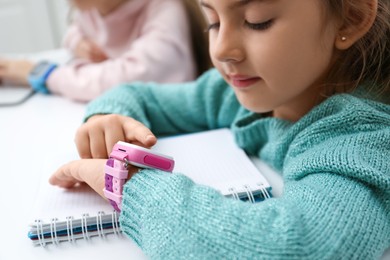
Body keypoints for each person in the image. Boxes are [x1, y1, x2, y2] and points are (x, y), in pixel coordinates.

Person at [49, 0, 390, 258]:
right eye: (212, 21)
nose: (222, 49)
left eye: (258, 22)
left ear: (351, 18)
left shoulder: (362, 137)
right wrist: (108, 117)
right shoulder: (238, 93)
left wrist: (128, 186)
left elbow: (296, 246)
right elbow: (139, 95)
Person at [0, 0, 210, 102]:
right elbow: (73, 31)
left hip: (171, 122)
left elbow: (125, 79)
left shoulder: (165, 10)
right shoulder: (93, 8)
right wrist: (78, 42)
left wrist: (45, 73)